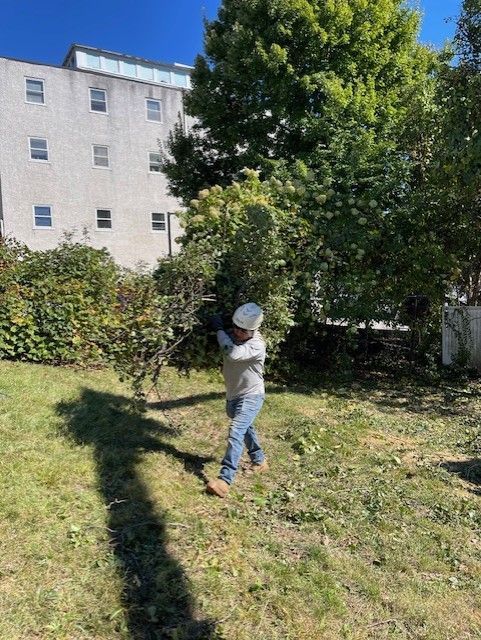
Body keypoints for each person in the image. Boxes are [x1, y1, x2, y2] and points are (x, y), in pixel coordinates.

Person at [206, 302, 268, 498]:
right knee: (245, 428)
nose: (238, 332)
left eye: (243, 330)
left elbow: (231, 353)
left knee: (236, 430)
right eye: (235, 327)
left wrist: (219, 329)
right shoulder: (234, 334)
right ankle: (259, 460)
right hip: (233, 396)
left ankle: (225, 480)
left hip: (252, 395)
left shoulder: (257, 345)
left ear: (253, 329)